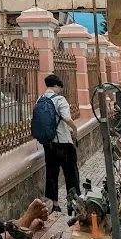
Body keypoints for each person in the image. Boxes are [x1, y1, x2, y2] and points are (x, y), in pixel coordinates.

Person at [40, 74, 80, 214]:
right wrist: (74, 129)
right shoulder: (59, 99)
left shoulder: (41, 99)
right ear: (56, 86)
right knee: (71, 173)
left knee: (51, 173)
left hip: (48, 144)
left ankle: (55, 204)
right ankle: (72, 201)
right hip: (63, 142)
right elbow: (66, 117)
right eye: (59, 87)